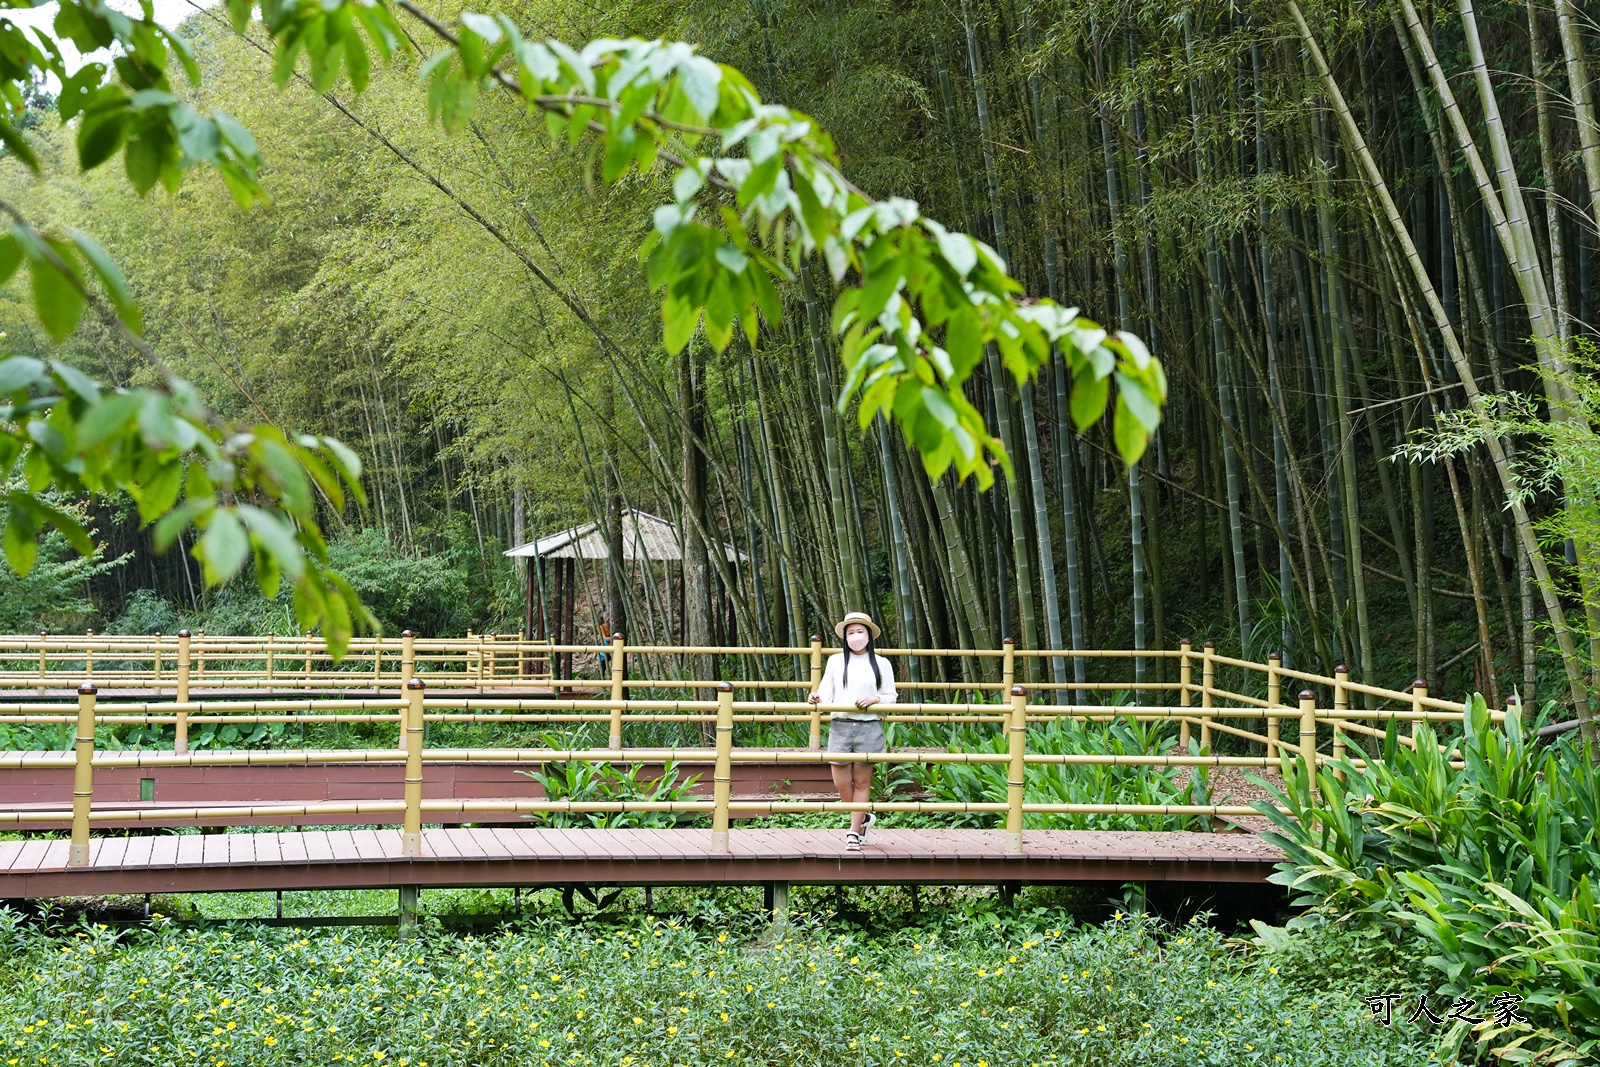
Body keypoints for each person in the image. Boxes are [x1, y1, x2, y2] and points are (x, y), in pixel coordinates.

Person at [808, 611, 896, 851]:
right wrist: (816, 697)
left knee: (861, 781)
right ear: (844, 638)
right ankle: (864, 817)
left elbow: (891, 697)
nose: (856, 636)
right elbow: (826, 691)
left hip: (869, 726)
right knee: (841, 783)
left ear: (869, 635)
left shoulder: (882, 663)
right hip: (840, 725)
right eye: (851, 632)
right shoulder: (836, 661)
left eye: (860, 631)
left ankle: (853, 833)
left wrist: (874, 699)